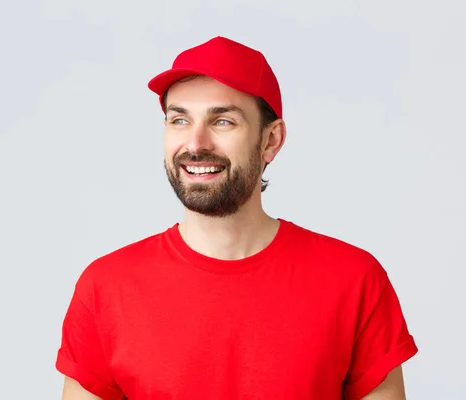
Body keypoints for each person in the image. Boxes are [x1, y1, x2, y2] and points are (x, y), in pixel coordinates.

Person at [55, 36, 418, 400]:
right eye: (179, 120)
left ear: (271, 141)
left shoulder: (354, 280)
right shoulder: (104, 289)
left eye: (223, 121)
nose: (195, 143)